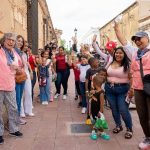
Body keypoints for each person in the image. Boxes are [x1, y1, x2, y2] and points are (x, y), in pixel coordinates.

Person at [114, 21, 150, 149]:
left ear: (147, 38)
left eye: (140, 38)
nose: (138, 41)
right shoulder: (134, 52)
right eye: (136, 40)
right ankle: (148, 138)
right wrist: (117, 28)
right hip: (139, 89)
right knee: (142, 115)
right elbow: (123, 41)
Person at [104, 46, 133, 139]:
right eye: (117, 53)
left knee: (123, 110)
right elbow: (105, 73)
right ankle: (118, 125)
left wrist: (131, 90)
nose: (118, 54)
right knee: (114, 109)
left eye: (120, 53)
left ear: (124, 54)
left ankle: (129, 129)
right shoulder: (110, 62)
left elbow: (132, 78)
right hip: (109, 89)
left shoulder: (128, 64)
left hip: (123, 89)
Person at [0, 33, 23, 144]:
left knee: (13, 108)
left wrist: (17, 68)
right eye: (8, 40)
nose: (11, 42)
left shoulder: (14, 53)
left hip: (10, 85)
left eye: (13, 41)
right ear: (3, 40)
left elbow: (20, 66)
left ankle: (13, 129)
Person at [89, 75, 110, 140]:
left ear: (95, 83)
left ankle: (102, 132)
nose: (92, 83)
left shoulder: (101, 93)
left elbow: (102, 103)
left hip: (98, 111)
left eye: (92, 82)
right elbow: (90, 99)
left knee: (100, 122)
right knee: (93, 122)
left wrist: (100, 112)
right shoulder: (94, 91)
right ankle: (93, 132)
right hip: (92, 109)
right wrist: (91, 93)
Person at [15, 35, 27, 125]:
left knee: (19, 98)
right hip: (15, 78)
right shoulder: (12, 52)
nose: (20, 43)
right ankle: (15, 118)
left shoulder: (20, 52)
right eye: (18, 41)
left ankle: (17, 117)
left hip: (21, 77)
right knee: (17, 99)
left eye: (21, 41)